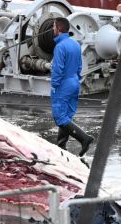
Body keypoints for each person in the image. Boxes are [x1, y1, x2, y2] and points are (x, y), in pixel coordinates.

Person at [51, 17, 94, 157]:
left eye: (53, 27)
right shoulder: (75, 44)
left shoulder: (60, 46)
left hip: (63, 84)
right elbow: (80, 65)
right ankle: (61, 146)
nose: (52, 29)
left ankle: (84, 139)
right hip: (74, 82)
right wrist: (76, 79)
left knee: (59, 117)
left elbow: (58, 68)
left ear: (58, 28)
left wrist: (54, 85)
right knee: (67, 115)